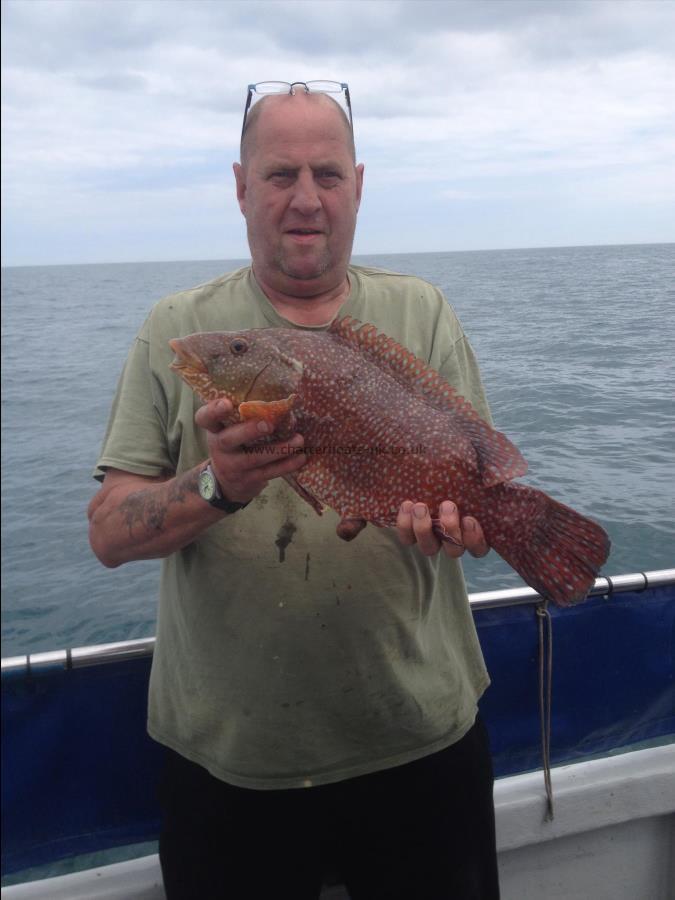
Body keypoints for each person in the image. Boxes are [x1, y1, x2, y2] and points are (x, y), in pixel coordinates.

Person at [88, 81, 500, 900]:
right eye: (280, 175)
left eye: (327, 173)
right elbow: (107, 535)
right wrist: (218, 482)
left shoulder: (420, 311)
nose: (304, 198)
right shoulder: (180, 329)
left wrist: (457, 525)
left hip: (419, 739)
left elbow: (477, 499)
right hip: (232, 764)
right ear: (241, 186)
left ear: (357, 184)